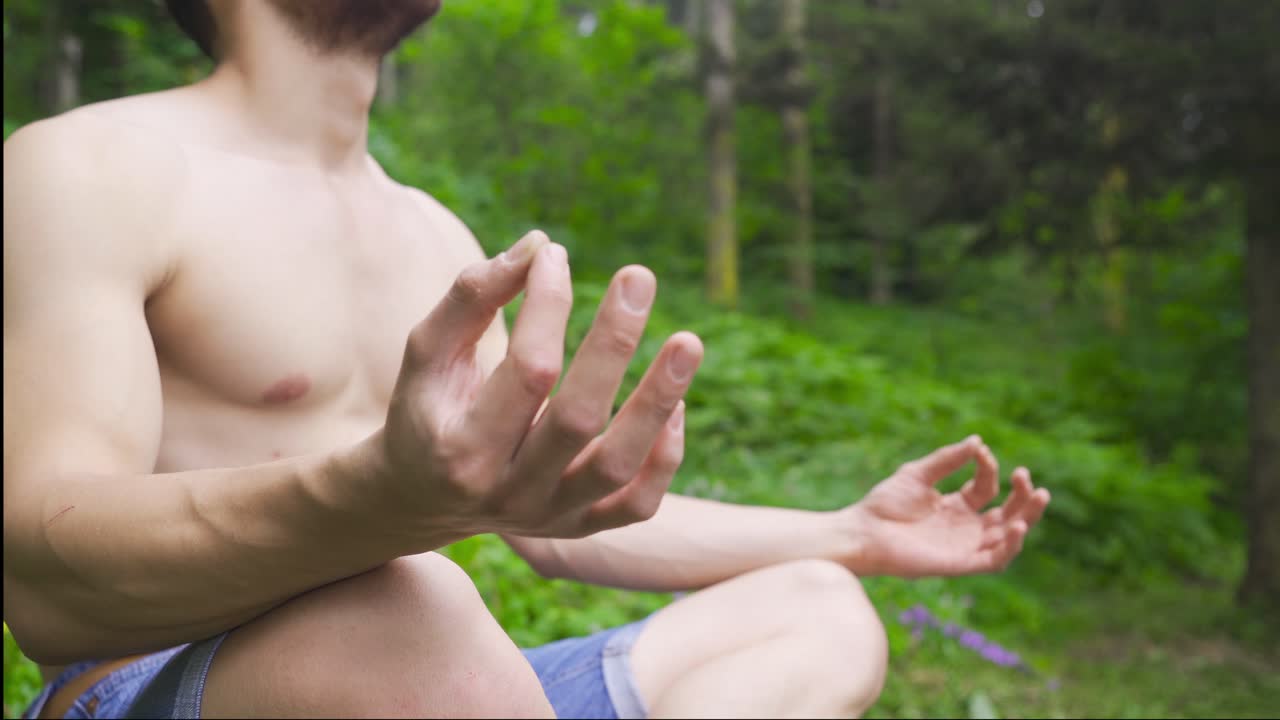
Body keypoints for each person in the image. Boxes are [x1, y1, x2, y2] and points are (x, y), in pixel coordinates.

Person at [2, 1, 1051, 718]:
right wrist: (376, 504)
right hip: (147, 686)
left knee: (813, 610)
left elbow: (542, 523)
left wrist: (850, 533)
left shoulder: (434, 236)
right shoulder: (94, 166)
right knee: (412, 603)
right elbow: (42, 580)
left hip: (437, 686)